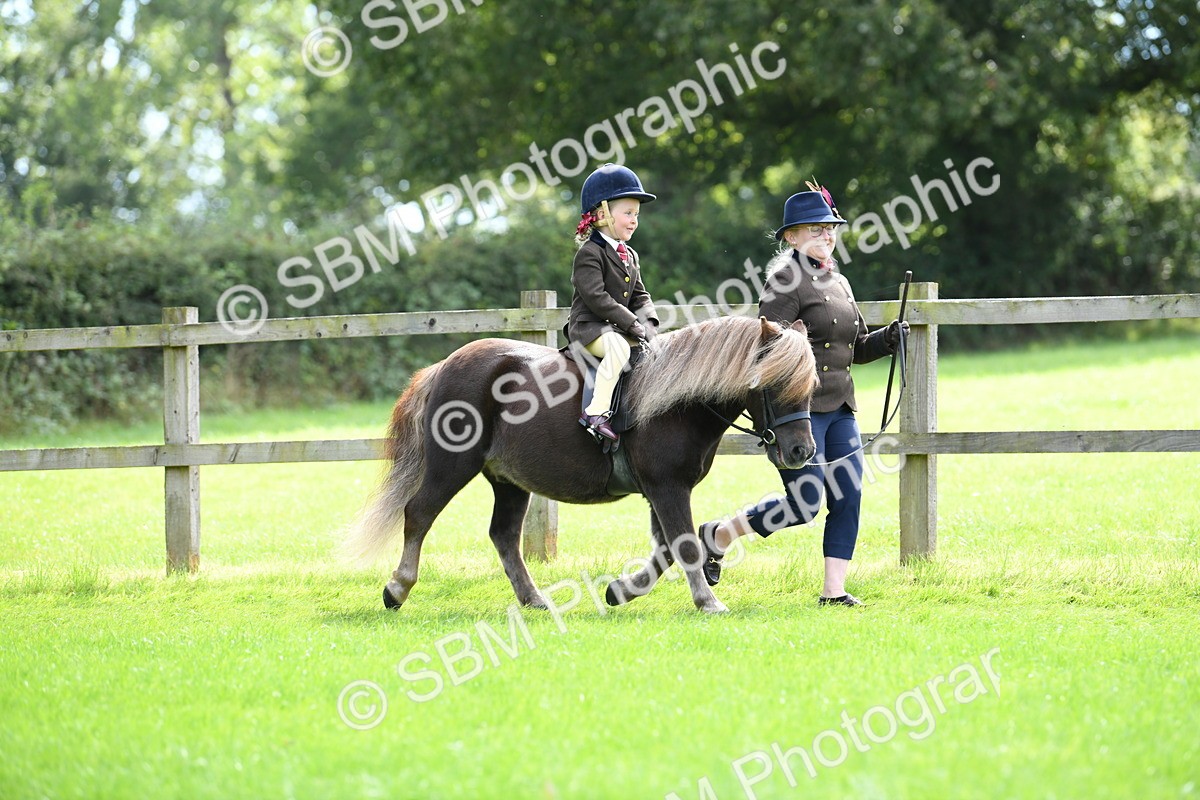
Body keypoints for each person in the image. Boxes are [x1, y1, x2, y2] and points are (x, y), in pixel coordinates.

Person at [699, 182, 907, 606]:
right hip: (799, 412)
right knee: (806, 503)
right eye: (815, 229)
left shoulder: (841, 281)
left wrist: (886, 339)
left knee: (848, 497)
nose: (826, 235)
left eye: (830, 228)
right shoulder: (784, 281)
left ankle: (834, 591)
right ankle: (718, 535)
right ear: (791, 237)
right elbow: (767, 346)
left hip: (841, 408)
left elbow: (855, 347)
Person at [566, 163, 660, 442]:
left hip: (617, 328)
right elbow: (597, 298)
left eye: (637, 214)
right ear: (602, 214)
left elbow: (640, 295)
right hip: (589, 329)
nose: (634, 220)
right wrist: (632, 323)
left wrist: (650, 323)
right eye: (628, 213)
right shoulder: (589, 253)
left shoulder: (629, 254)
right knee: (619, 348)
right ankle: (596, 413)